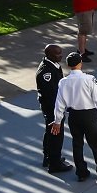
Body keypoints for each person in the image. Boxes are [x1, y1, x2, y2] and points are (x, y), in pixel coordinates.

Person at [51, 51, 97, 182]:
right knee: (96, 143)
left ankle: (81, 172)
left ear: (68, 65)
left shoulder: (63, 82)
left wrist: (57, 121)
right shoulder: (89, 79)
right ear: (80, 63)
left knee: (77, 143)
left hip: (74, 116)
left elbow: (59, 104)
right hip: (89, 115)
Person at [36, 44, 71, 173]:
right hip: (53, 107)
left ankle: (49, 157)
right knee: (56, 134)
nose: (61, 55)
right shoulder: (47, 72)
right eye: (57, 54)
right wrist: (59, 112)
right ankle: (54, 163)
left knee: (51, 132)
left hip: (54, 106)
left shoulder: (53, 65)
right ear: (49, 55)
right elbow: (51, 94)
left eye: (61, 53)